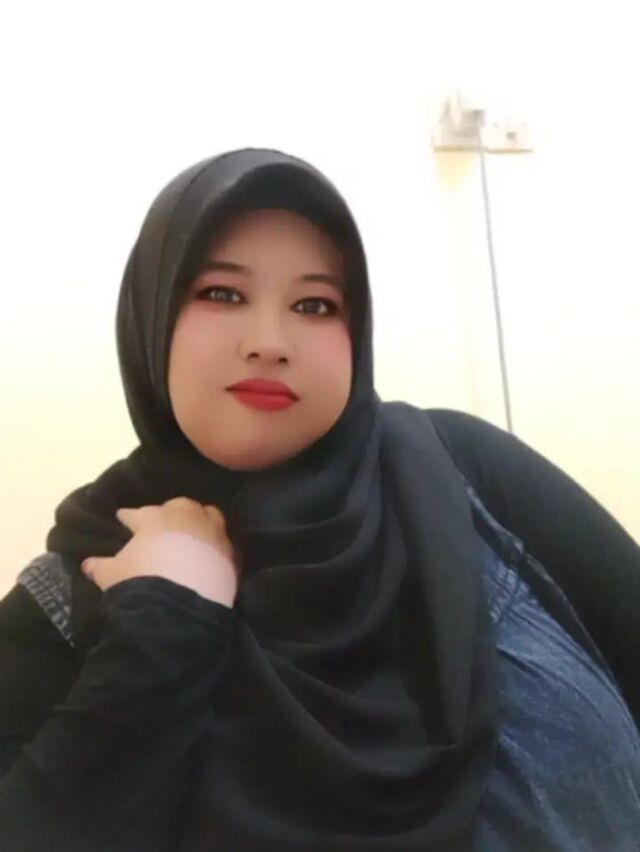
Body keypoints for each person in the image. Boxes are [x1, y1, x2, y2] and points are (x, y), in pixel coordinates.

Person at [0, 147, 638, 851]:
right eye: (222, 293)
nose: (269, 342)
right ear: (151, 317)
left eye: (315, 304)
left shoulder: (464, 475)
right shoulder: (72, 589)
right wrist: (165, 617)